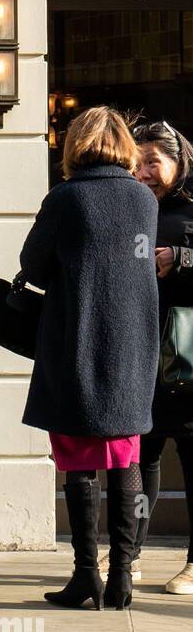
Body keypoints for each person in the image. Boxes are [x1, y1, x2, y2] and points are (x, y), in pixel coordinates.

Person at [20, 107, 159, 611]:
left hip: (75, 342)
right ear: (124, 146)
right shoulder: (144, 199)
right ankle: (122, 577)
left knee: (79, 462)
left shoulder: (66, 198)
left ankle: (86, 577)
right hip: (132, 348)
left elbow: (31, 264)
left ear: (75, 146)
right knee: (125, 458)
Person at [131, 120, 193, 594]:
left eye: (154, 161)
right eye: (137, 160)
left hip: (189, 360)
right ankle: (128, 552)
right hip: (139, 356)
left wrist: (182, 257)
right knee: (139, 457)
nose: (144, 170)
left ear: (178, 162)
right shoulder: (130, 207)